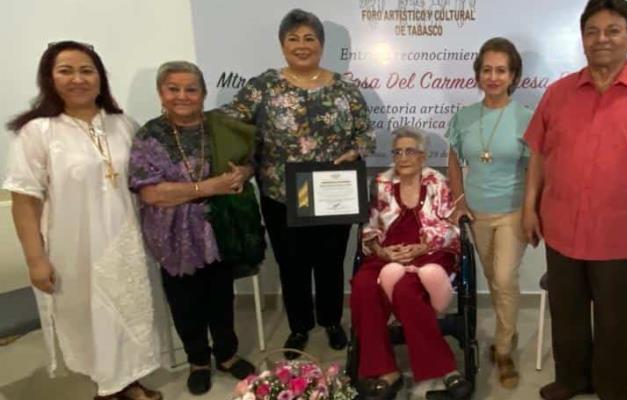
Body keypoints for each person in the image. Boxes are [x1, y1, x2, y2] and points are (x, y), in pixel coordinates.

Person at [521, 0, 627, 399]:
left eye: (613, 30)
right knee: (567, 312)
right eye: (592, 31)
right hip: (560, 224)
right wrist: (530, 207)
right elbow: (539, 153)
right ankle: (572, 379)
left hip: (620, 229)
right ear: (582, 38)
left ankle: (614, 387)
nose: (602, 39)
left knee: (616, 318)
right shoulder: (558, 93)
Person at [4, 41, 162, 400]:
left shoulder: (123, 124)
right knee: (91, 317)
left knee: (129, 310)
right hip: (75, 247)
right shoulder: (38, 132)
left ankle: (130, 380)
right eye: (66, 71)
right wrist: (35, 259)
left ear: (100, 78)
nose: (78, 79)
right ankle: (106, 388)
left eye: (86, 70)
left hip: (126, 240)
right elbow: (24, 201)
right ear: (49, 78)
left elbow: (148, 181)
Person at [220, 8, 375, 356]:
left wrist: (355, 151)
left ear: (321, 44)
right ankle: (300, 327)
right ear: (282, 44)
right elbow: (233, 126)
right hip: (281, 194)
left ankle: (333, 321)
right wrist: (242, 165)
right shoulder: (263, 86)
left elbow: (366, 134)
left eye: (309, 38)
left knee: (331, 262)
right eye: (294, 38)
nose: (302, 45)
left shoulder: (346, 89)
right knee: (292, 265)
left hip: (333, 192)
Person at [129, 61, 258, 396]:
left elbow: (249, 160)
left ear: (203, 93)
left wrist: (243, 174)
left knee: (221, 297)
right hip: (173, 236)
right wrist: (209, 187)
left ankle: (227, 355)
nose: (182, 96)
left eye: (191, 89)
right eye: (174, 89)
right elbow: (151, 192)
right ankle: (198, 361)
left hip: (219, 228)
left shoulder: (222, 126)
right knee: (185, 302)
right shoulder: (150, 134)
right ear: (161, 93)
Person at [350, 127, 474, 400]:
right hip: (387, 251)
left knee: (407, 290)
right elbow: (369, 226)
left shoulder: (436, 181)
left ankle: (443, 369)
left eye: (410, 151)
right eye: (397, 151)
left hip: (429, 251)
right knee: (363, 286)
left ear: (422, 155)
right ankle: (384, 369)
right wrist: (382, 252)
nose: (402, 157)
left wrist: (424, 245)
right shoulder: (381, 182)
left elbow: (449, 226)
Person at [445, 37, 531, 389]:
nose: (493, 77)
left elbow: (536, 169)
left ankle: (504, 349)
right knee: (494, 280)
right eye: (487, 70)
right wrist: (459, 200)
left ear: (513, 76)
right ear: (478, 74)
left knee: (505, 278)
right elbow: (453, 159)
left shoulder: (526, 118)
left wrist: (531, 210)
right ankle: (504, 333)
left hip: (513, 212)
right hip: (477, 213)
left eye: (501, 70)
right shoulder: (464, 116)